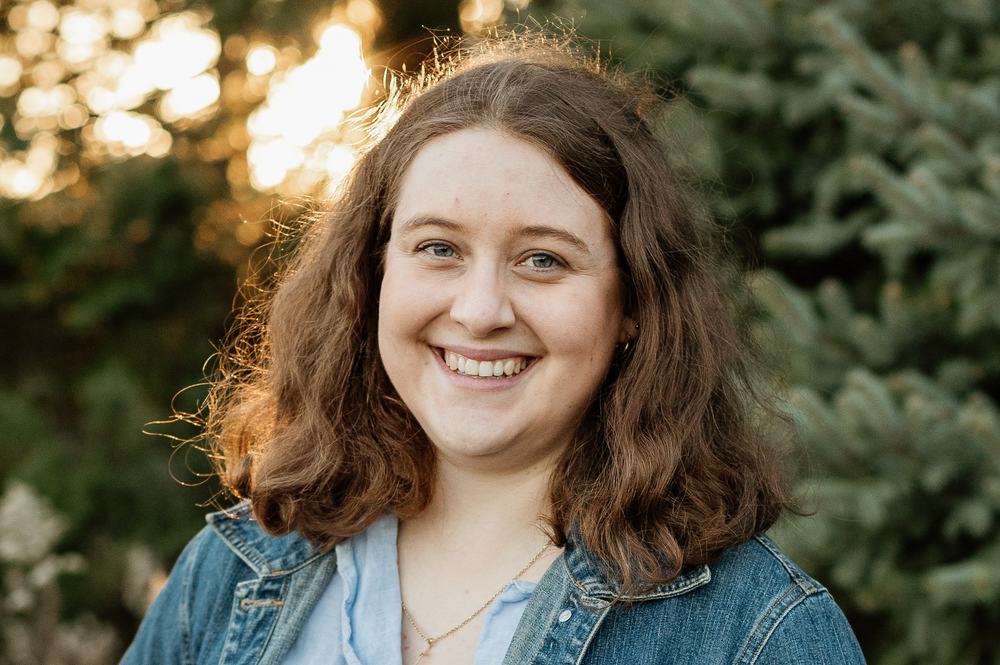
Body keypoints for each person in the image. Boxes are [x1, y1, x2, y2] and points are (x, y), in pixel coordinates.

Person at [122, 36, 866, 665]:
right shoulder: (230, 574)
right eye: (438, 248)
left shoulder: (758, 634)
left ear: (634, 301)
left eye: (544, 259)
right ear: (371, 274)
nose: (479, 311)